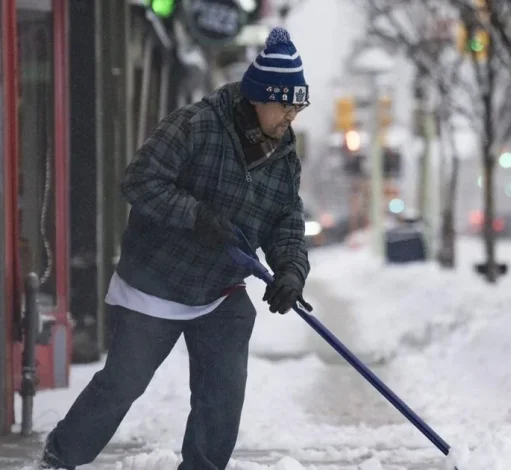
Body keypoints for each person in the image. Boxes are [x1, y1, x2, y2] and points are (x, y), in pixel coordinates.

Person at [39, 27, 311, 470]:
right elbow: (139, 181)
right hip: (156, 280)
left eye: (298, 107)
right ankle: (59, 456)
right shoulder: (197, 125)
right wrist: (196, 215)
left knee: (222, 393)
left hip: (220, 288)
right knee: (123, 384)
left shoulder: (283, 157)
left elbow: (286, 224)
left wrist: (290, 272)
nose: (291, 117)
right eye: (286, 106)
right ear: (259, 98)